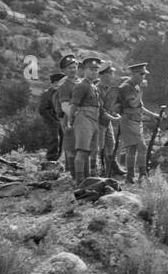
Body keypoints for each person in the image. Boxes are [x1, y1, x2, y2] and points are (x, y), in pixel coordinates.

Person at [115, 62, 162, 181]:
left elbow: (140, 107)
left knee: (132, 149)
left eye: (144, 74)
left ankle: (130, 176)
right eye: (141, 74)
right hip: (129, 120)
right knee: (142, 147)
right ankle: (142, 174)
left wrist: (154, 115)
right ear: (134, 73)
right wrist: (141, 90)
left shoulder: (135, 86)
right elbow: (133, 103)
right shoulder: (126, 87)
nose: (143, 77)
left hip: (136, 120)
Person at [67, 56, 105, 184]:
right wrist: (70, 121)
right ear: (83, 70)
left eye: (96, 69)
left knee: (91, 150)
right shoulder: (82, 85)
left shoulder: (93, 86)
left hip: (94, 119)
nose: (94, 72)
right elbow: (73, 105)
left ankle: (88, 179)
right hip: (84, 118)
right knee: (82, 150)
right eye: (91, 69)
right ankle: (79, 180)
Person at [53, 55, 80, 178]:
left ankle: (78, 171)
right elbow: (65, 106)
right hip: (69, 118)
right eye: (69, 68)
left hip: (81, 118)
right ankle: (71, 173)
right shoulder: (64, 85)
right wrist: (77, 117)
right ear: (64, 71)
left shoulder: (81, 82)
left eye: (74, 67)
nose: (73, 70)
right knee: (71, 146)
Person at [96, 63, 125, 178]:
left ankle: (112, 167)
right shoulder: (97, 89)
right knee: (100, 146)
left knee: (111, 144)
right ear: (104, 75)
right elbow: (100, 109)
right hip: (99, 122)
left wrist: (115, 114)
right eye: (111, 73)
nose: (112, 76)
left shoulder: (108, 88)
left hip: (106, 122)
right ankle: (102, 168)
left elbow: (109, 107)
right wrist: (113, 118)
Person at [38, 71, 66, 162]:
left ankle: (57, 158)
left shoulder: (59, 92)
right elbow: (42, 109)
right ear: (55, 82)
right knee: (54, 138)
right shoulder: (48, 93)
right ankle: (51, 158)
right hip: (52, 120)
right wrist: (52, 120)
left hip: (59, 119)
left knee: (62, 138)